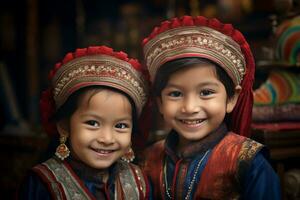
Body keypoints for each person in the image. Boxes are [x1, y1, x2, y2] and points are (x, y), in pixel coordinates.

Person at [141, 16, 281, 199]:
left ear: (231, 99)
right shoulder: (150, 160)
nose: (190, 107)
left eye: (206, 92)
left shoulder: (248, 162)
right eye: (175, 94)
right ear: (160, 102)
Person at [17, 45, 150, 199]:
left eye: (120, 126)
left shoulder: (139, 181)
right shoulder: (43, 184)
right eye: (93, 123)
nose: (107, 139)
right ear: (64, 126)